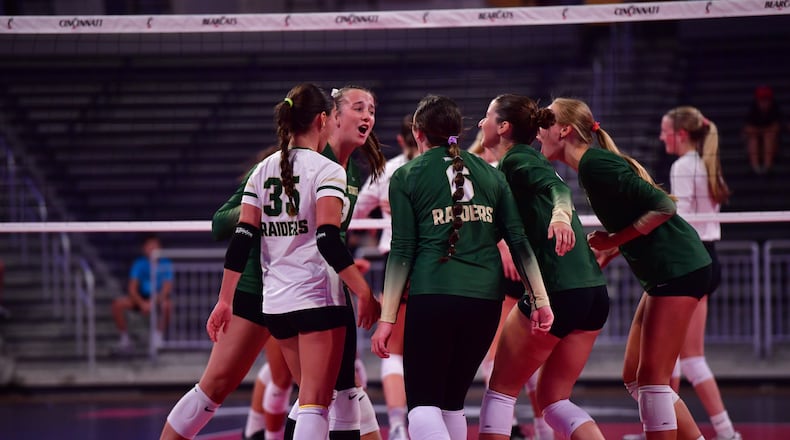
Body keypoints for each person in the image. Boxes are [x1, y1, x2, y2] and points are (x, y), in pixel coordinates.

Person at [370, 95, 554, 440]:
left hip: (433, 297)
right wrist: (541, 300)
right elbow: (518, 241)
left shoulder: (406, 175)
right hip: (485, 302)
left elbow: (402, 250)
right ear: (458, 131)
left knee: (423, 406)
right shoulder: (492, 174)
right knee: (452, 403)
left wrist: (387, 318)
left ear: (418, 132)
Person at [538, 97, 712, 440]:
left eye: (546, 120)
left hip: (679, 267)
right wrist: (612, 249)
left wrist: (615, 238)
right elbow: (639, 215)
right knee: (635, 376)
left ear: (565, 130)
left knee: (651, 381)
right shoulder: (591, 168)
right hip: (668, 272)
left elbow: (662, 206)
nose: (539, 130)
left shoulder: (595, 165)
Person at [477, 94, 609, 440]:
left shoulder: (518, 159)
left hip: (558, 291)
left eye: (486, 117)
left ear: (503, 127)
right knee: (553, 400)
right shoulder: (510, 167)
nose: (479, 124)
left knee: (501, 389)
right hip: (592, 295)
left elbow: (558, 189)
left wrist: (561, 216)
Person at [159, 149, 291, 440]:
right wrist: (255, 207)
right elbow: (221, 223)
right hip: (261, 289)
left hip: (305, 292)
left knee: (322, 390)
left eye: (370, 109)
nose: (366, 118)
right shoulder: (266, 171)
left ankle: (260, 430)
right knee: (221, 384)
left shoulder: (338, 170)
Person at [281, 84, 387, 440]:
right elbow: (227, 218)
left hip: (326, 284)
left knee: (336, 389)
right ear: (332, 117)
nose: (368, 116)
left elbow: (332, 239)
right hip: (295, 287)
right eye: (359, 108)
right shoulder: (298, 162)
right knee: (318, 394)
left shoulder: (351, 173)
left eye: (372, 110)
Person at [659, 106, 741, 440]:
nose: (660, 137)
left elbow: (683, 223)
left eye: (665, 131)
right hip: (708, 258)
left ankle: (672, 429)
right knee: (683, 357)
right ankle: (716, 431)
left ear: (680, 134)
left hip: (692, 260)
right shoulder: (708, 164)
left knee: (676, 358)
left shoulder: (684, 166)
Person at [353, 113, 418, 440]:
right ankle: (428, 425)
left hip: (399, 265)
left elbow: (352, 214)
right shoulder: (453, 171)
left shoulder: (387, 171)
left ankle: (396, 425)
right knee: (432, 349)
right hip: (441, 266)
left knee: (394, 350)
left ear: (404, 139)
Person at [112, 234, 173, 352]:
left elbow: (166, 288)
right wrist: (141, 303)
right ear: (144, 249)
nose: (153, 250)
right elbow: (132, 289)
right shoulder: (139, 264)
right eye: (150, 247)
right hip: (140, 297)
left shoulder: (166, 264)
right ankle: (124, 339)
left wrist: (154, 302)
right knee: (117, 305)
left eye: (155, 246)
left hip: (157, 298)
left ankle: (158, 337)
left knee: (167, 305)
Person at [743, 85, 782, 175]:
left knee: (769, 136)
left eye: (766, 100)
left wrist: (759, 131)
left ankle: (767, 167)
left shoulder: (775, 110)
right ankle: (755, 167)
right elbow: (747, 129)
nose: (764, 103)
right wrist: (764, 131)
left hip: (773, 146)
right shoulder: (753, 111)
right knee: (753, 138)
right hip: (756, 147)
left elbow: (777, 128)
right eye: (761, 100)